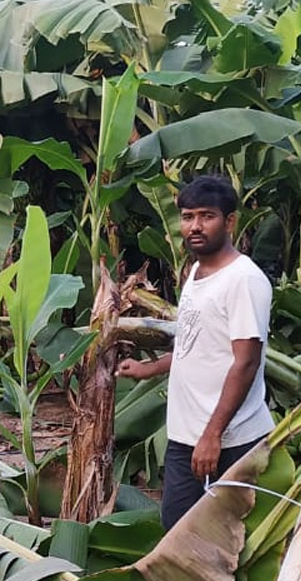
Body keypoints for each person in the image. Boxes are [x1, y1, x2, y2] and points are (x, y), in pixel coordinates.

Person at [117, 175, 274, 529]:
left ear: (230, 221)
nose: (195, 226)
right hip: (187, 435)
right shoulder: (198, 272)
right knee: (178, 532)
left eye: (207, 216)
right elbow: (197, 345)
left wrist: (212, 435)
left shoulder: (243, 281)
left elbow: (246, 362)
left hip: (230, 439)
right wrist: (150, 368)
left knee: (225, 539)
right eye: (188, 217)